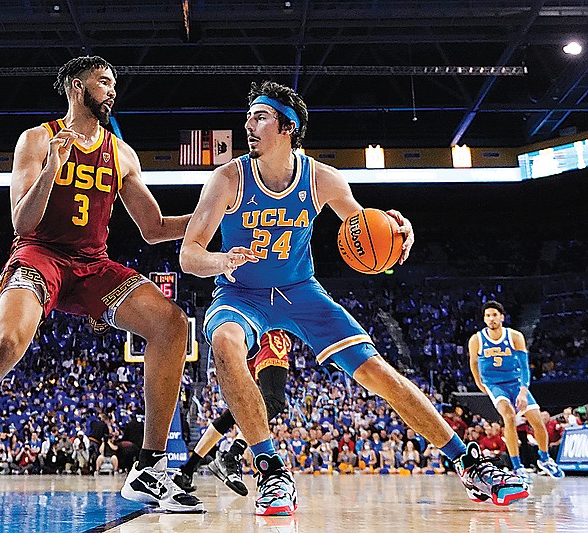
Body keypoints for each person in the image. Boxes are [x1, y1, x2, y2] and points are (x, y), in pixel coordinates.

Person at [179, 80, 529, 514]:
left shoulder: (321, 178)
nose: (248, 124)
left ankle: (469, 463)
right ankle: (271, 471)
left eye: (260, 116)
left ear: (287, 127)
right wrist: (222, 261)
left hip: (300, 291)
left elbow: (364, 232)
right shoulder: (227, 178)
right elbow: (189, 254)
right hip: (240, 291)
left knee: (379, 373)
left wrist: (396, 234)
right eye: (249, 115)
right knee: (224, 342)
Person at [0, 55, 202, 518]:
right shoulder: (37, 139)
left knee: (172, 324)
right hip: (40, 254)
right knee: (5, 345)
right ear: (77, 86)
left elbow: (154, 228)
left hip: (92, 265)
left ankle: (149, 469)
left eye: (114, 83)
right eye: (104, 82)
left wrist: (213, 219)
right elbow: (22, 220)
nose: (112, 90)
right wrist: (52, 169)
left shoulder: (121, 153)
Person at [173, 329, 291, 497]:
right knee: (273, 402)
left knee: (240, 409)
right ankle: (232, 455)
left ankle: (187, 470)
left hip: (242, 337)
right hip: (268, 332)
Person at [468, 300, 565, 480]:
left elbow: (524, 366)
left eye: (494, 315)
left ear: (502, 317)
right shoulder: (476, 339)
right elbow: (473, 362)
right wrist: (478, 382)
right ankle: (517, 467)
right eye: (487, 316)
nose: (491, 319)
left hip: (515, 381)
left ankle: (544, 459)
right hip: (494, 384)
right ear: (484, 319)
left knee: (537, 421)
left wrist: (522, 391)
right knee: (509, 416)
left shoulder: (514, 336)